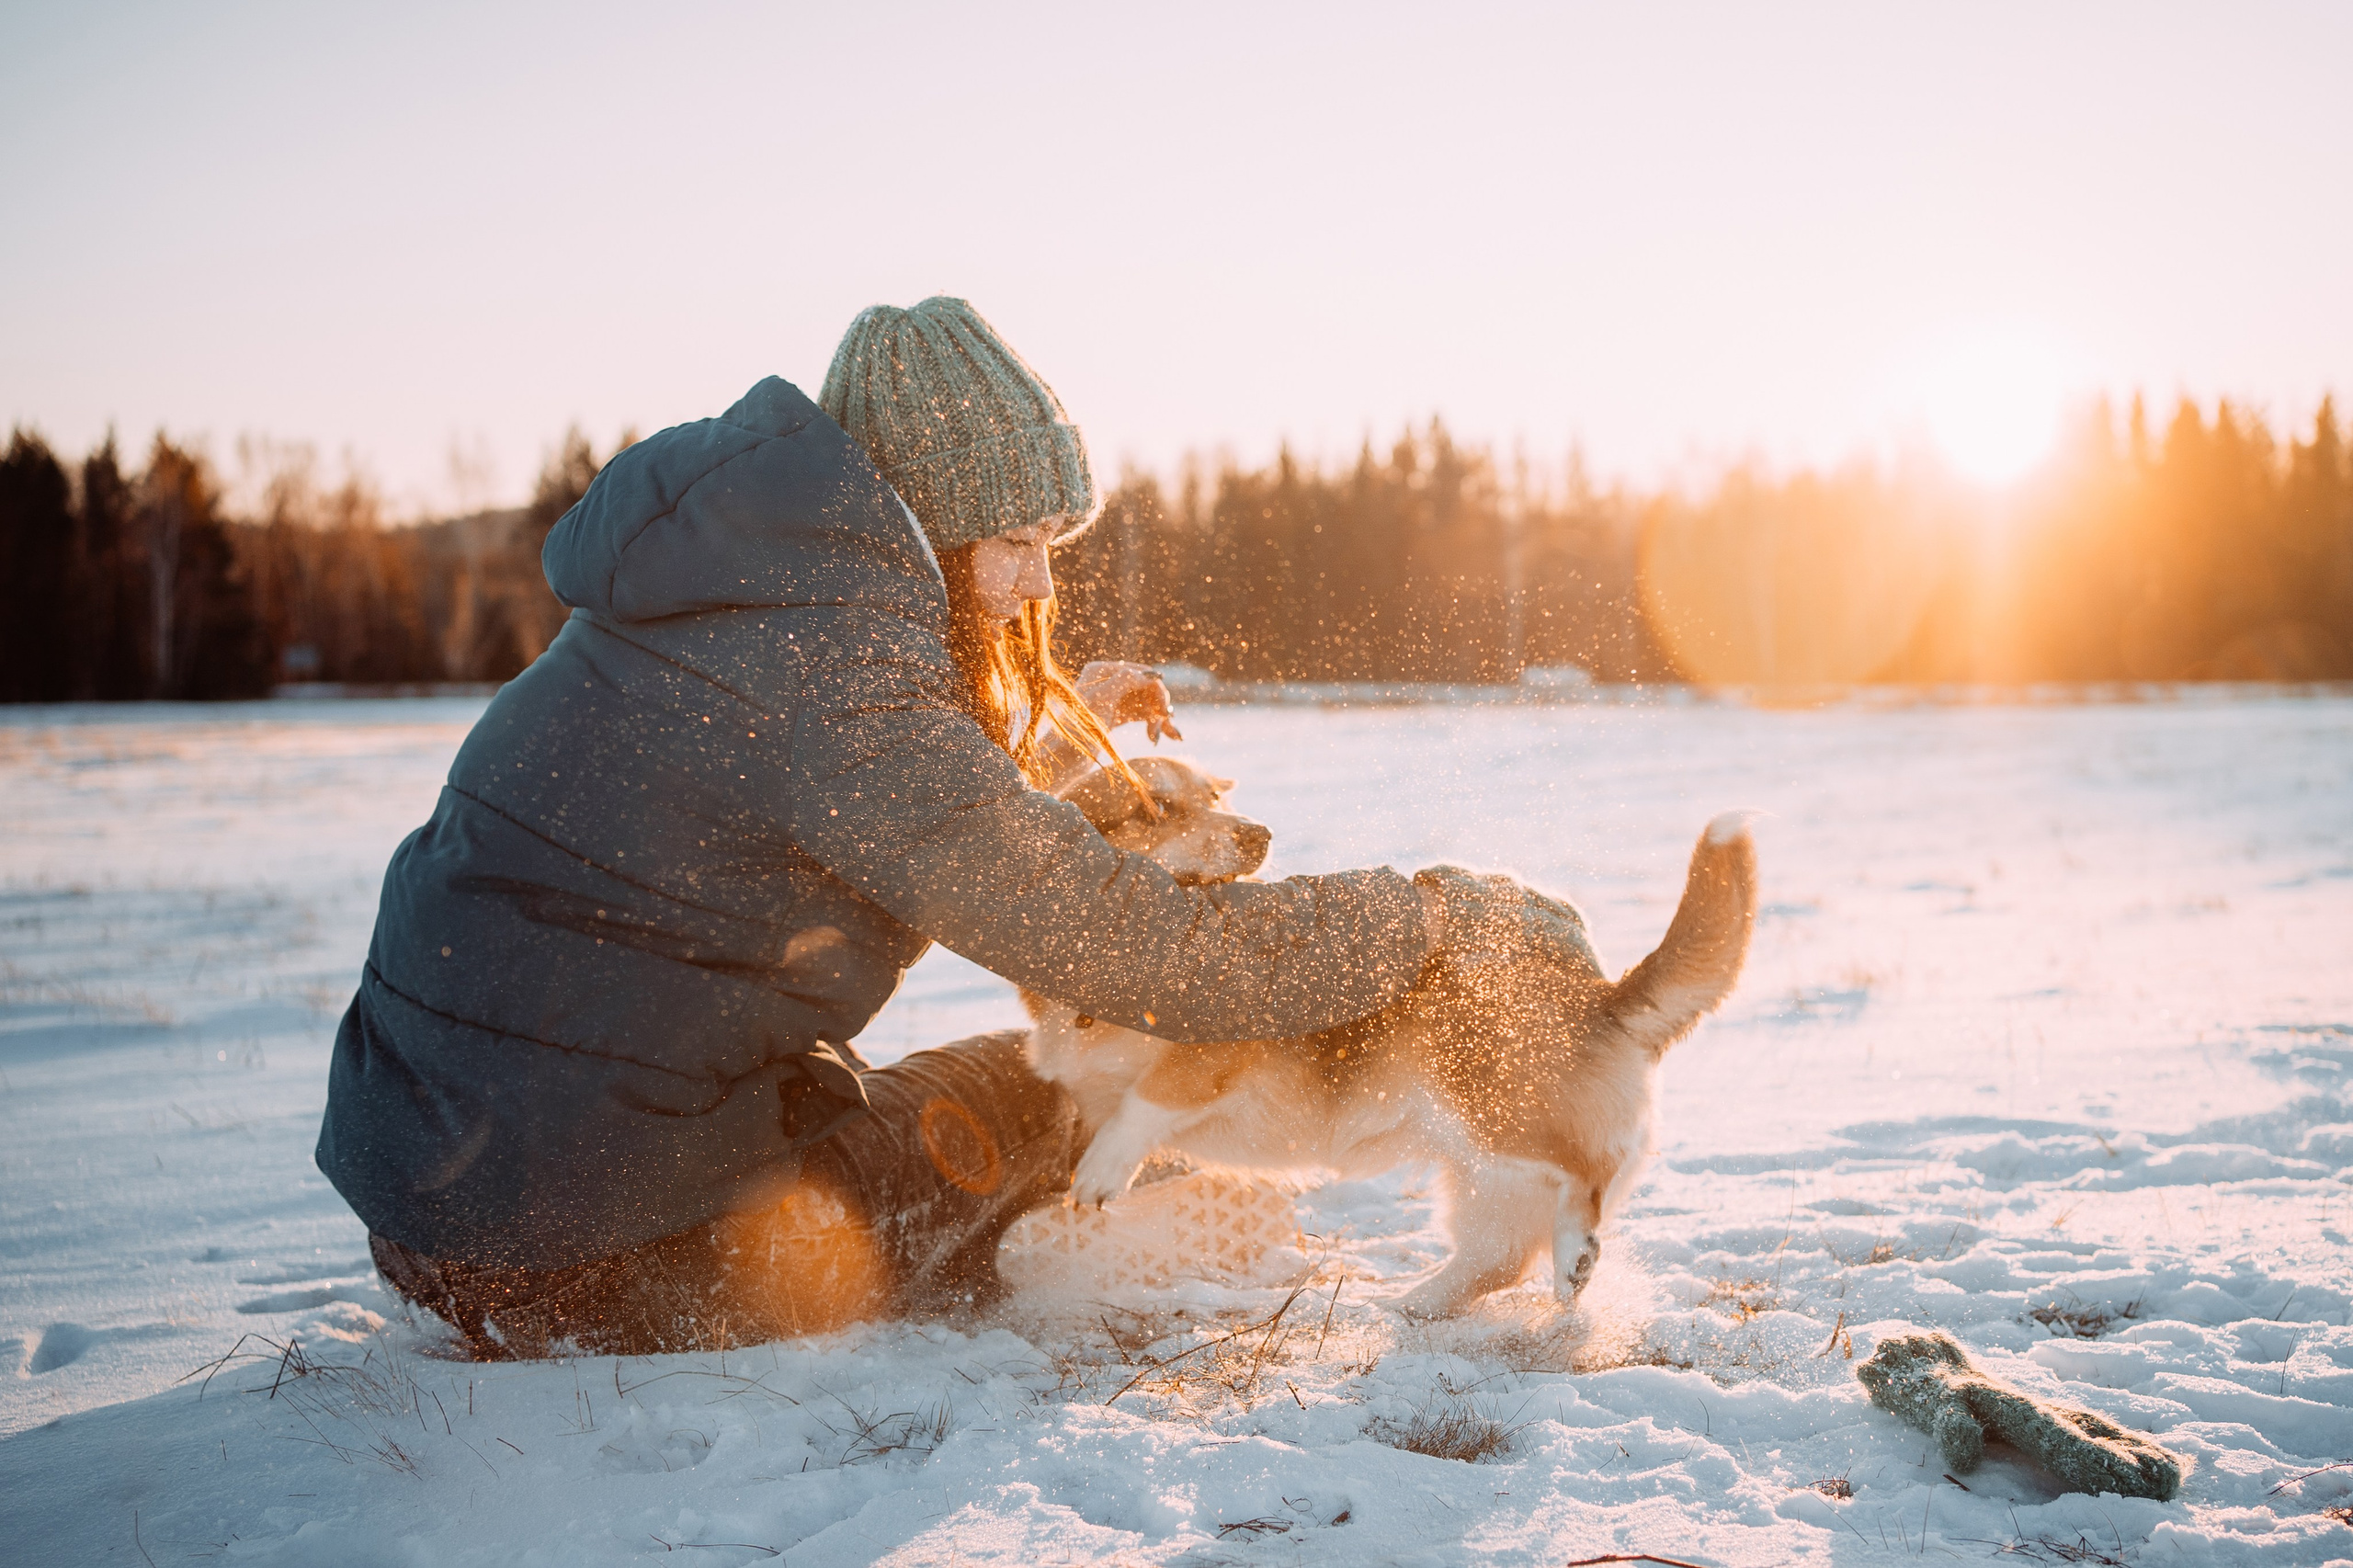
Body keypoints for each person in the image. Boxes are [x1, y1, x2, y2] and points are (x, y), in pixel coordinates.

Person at [319, 297, 1548, 1357]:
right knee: (1057, 1085)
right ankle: (1101, 1246)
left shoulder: (734, 592)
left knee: (913, 1093)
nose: (1040, 584)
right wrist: (1431, 916)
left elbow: (861, 792)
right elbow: (1144, 951)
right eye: (1016, 542)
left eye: (1052, 545)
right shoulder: (840, 673)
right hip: (600, 1261)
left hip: (443, 1209)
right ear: (931, 519)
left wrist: (1047, 734)